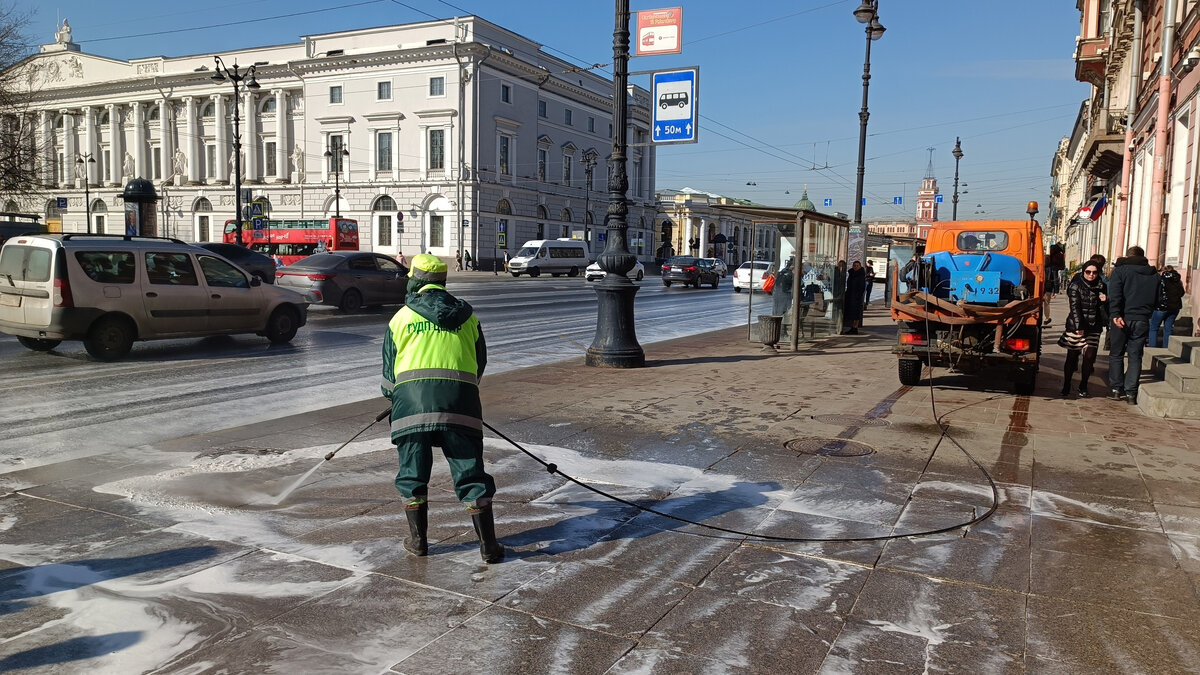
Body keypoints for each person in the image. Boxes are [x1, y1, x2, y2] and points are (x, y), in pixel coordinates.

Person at [381, 253, 502, 564]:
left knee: (412, 474)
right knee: (470, 473)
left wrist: (396, 398)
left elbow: (388, 378)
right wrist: (459, 392)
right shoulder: (468, 318)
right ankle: (488, 546)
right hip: (460, 402)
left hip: (411, 405)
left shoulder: (401, 318)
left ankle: (418, 541)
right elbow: (479, 364)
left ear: (414, 280)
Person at [1107, 246, 1161, 404]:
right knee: (1135, 355)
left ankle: (1116, 389)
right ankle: (1131, 392)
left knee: (1116, 354)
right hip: (1142, 319)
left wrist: (1115, 314)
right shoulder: (1154, 275)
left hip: (1122, 318)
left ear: (1128, 256)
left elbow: (1115, 295)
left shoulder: (1121, 271)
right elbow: (1158, 299)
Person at [1059, 261, 1107, 398]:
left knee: (1089, 357)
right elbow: (1074, 307)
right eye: (1088, 272)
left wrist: (1105, 300)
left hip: (1094, 326)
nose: (1091, 275)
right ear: (1083, 272)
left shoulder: (1101, 286)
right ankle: (1067, 384)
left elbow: (1104, 307)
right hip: (1076, 326)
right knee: (1072, 356)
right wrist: (1079, 326)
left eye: (1094, 272)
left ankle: (1084, 385)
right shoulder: (1075, 286)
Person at [1150, 265, 1186, 348]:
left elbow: (1156, 292)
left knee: (1154, 328)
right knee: (1168, 329)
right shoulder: (1177, 280)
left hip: (1161, 307)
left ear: (1163, 271)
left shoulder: (1161, 279)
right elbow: (1182, 293)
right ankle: (1166, 348)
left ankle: (1152, 348)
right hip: (1175, 307)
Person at [843, 260, 866, 334]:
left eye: (857, 265)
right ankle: (852, 327)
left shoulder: (861, 275)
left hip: (856, 297)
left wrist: (858, 296)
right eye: (854, 265)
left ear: (860, 266)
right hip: (850, 295)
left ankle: (855, 327)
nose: (856, 267)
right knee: (852, 312)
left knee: (856, 313)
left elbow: (862, 287)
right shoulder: (851, 273)